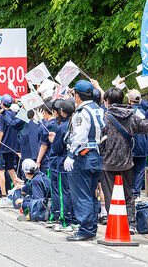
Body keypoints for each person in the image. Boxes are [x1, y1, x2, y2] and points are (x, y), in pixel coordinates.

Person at [100, 87, 148, 234]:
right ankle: (130, 224)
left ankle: (115, 225)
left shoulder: (103, 117)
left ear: (108, 101)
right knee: (128, 194)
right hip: (126, 162)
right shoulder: (132, 115)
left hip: (108, 162)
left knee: (110, 195)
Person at [64, 80, 105, 241]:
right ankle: (91, 226)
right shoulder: (98, 109)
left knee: (81, 194)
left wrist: (71, 155)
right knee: (91, 193)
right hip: (96, 154)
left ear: (77, 95)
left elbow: (80, 136)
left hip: (83, 155)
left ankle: (86, 229)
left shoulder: (82, 112)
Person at [50, 99, 77, 231]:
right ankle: (75, 219)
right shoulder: (77, 123)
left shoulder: (61, 127)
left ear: (62, 112)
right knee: (75, 191)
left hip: (63, 162)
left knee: (63, 192)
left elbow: (56, 148)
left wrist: (53, 140)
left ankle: (65, 220)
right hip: (77, 161)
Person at [0, 94, 24, 206]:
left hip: (2, 147)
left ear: (2, 103)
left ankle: (4, 195)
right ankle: (19, 191)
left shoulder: (2, 116)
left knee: (1, 171)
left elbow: (0, 132)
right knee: (11, 169)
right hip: (13, 147)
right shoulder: (15, 114)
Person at [126, 89, 148, 201]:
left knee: (128, 169)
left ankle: (129, 192)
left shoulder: (126, 113)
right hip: (143, 145)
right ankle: (136, 193)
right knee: (139, 170)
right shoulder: (145, 113)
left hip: (129, 145)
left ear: (129, 100)